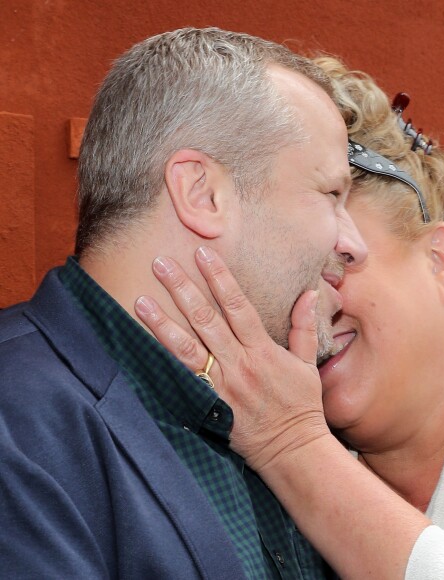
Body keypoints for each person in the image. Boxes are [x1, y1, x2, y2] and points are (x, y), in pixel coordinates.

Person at [138, 57, 444, 579]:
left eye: (337, 261)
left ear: (439, 260)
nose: (309, 305)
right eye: (287, 272)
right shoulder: (230, 443)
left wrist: (291, 445)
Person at [0, 29, 368, 578]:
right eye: (330, 195)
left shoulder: (275, 409)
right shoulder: (20, 431)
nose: (353, 244)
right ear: (202, 193)